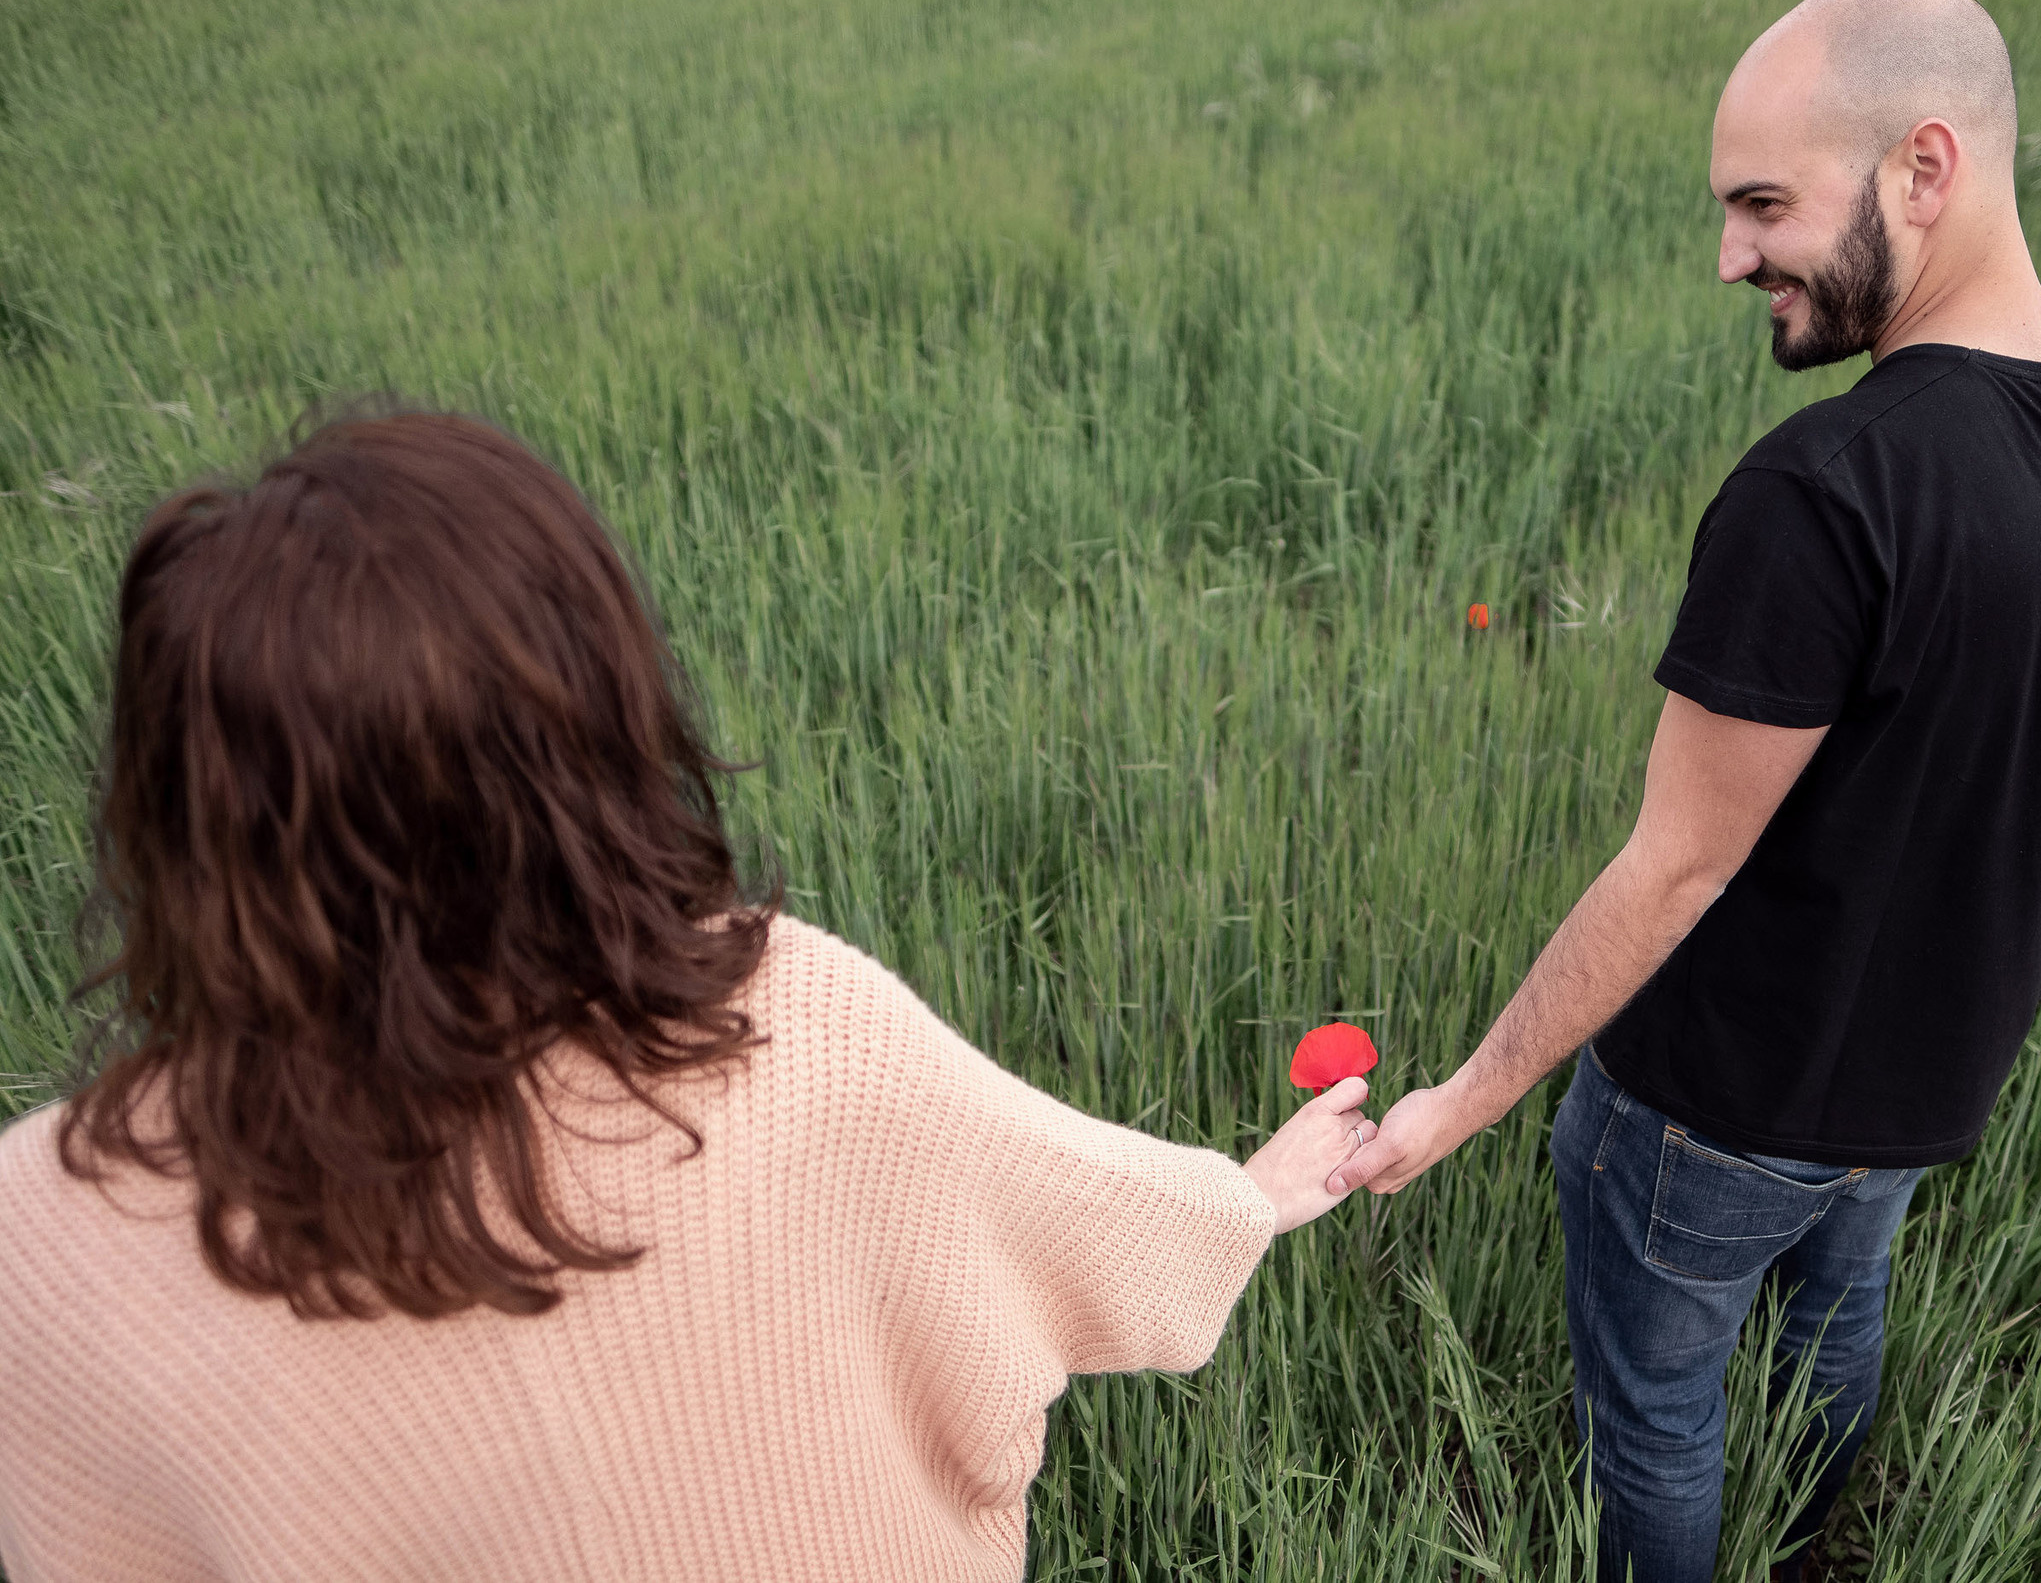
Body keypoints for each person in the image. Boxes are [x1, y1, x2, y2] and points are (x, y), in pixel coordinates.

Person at [0, 409, 1375, 1582]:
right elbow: (1096, 1223)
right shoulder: (785, 1025)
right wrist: (1250, 1197)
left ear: (177, 812)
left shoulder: (44, 1238)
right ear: (587, 733)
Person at [1326, 0, 2041, 1581]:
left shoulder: (1826, 488)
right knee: (1842, 1310)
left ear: (1925, 165)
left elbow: (1675, 864)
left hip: (1709, 1104)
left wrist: (1465, 1102)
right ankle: (1824, 1546)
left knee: (1663, 1408)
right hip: (1934, 1078)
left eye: (1763, 204)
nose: (1733, 254)